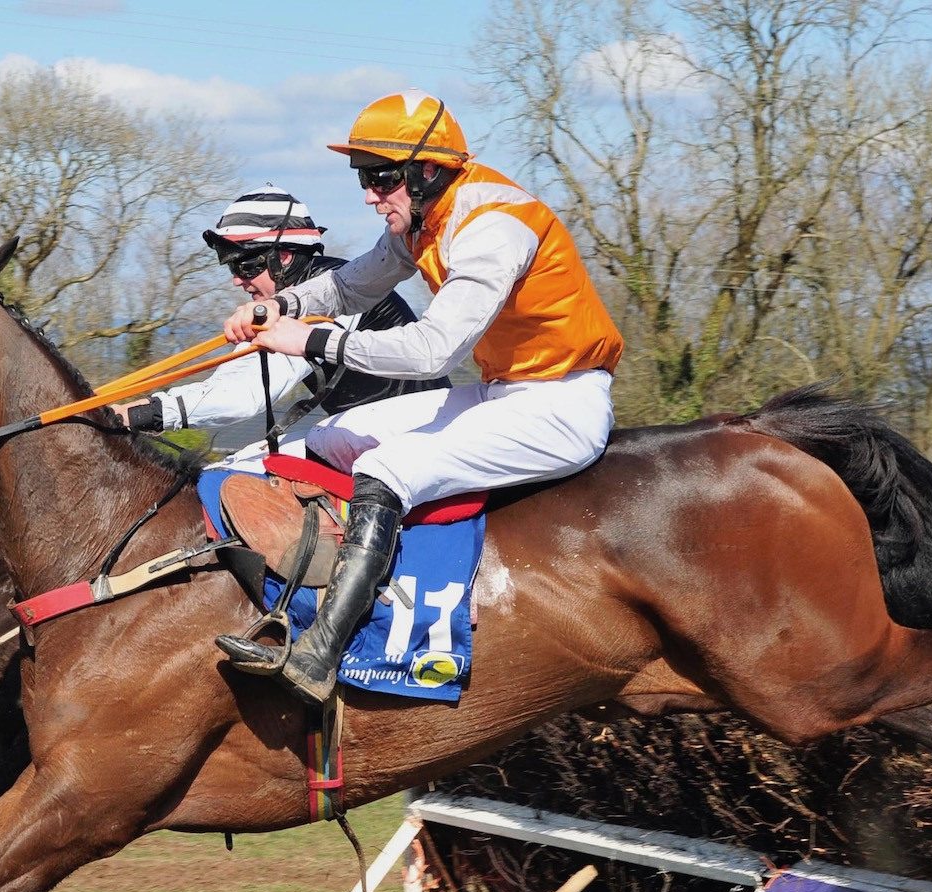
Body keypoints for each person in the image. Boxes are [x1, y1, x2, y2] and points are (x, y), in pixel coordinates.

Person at [213, 90, 625, 705]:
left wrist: (312, 341)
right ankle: (307, 591)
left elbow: (434, 351)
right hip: (504, 393)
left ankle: (320, 655)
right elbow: (353, 284)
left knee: (384, 466)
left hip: (563, 406)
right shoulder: (424, 217)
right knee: (331, 438)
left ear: (428, 169)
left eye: (381, 179)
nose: (370, 195)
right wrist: (281, 305)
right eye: (364, 178)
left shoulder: (493, 226)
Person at [118, 187, 446, 443]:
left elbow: (245, 396)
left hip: (417, 430)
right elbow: (230, 379)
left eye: (245, 265)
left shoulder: (323, 294)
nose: (237, 279)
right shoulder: (277, 305)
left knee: (248, 472)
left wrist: (142, 414)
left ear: (285, 257)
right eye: (232, 266)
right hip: (373, 427)